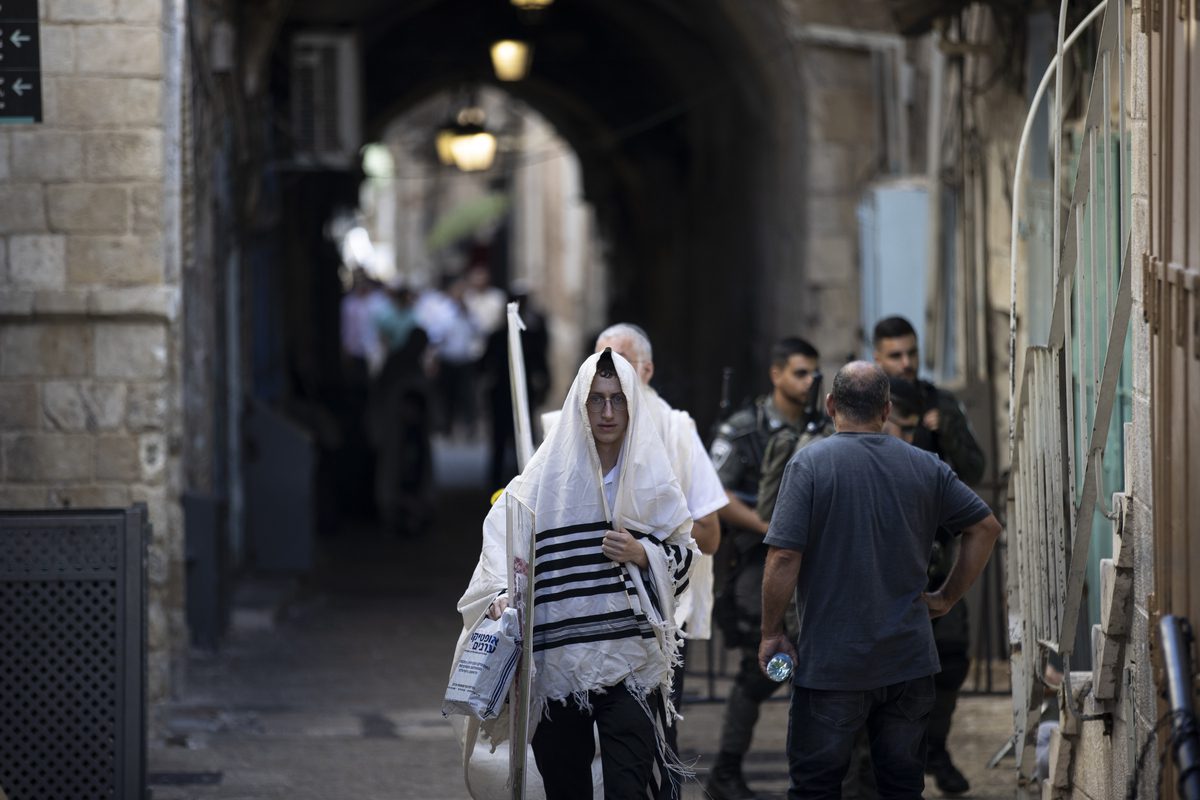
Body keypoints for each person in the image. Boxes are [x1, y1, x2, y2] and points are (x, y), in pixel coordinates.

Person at [453, 349, 699, 799]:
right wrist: (503, 596)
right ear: (579, 406)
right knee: (566, 790)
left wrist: (644, 553)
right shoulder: (536, 485)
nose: (608, 412)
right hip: (555, 670)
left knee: (629, 789)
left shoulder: (651, 480)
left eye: (618, 399)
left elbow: (685, 562)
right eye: (596, 400)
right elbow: (496, 561)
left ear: (632, 405)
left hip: (631, 663)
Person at [758, 362, 1002, 798]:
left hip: (831, 666)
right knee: (901, 787)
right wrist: (946, 597)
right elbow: (985, 528)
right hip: (907, 664)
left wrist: (771, 633)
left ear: (831, 405)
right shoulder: (926, 466)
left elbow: (783, 556)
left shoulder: (809, 466)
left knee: (815, 787)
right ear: (887, 410)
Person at [594, 323, 728, 800]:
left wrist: (648, 548)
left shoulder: (674, 430)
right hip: (590, 615)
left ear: (646, 371)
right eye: (598, 362)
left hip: (660, 614)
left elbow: (709, 534)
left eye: (620, 362)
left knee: (654, 733)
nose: (606, 374)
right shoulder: (568, 430)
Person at [706, 337, 822, 800]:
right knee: (762, 673)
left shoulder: (821, 426)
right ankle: (726, 771)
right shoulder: (742, 429)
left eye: (814, 373)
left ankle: (820, 775)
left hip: (810, 568)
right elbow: (715, 493)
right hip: (759, 561)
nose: (808, 381)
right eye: (799, 372)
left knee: (817, 674)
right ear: (776, 374)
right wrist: (769, 526)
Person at [873, 316, 985, 794]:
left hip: (936, 560)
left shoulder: (938, 403)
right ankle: (888, 762)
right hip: (881, 568)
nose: (906, 363)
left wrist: (945, 431)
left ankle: (934, 748)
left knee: (953, 659)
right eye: (895, 355)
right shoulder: (867, 402)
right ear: (877, 358)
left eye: (911, 354)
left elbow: (974, 469)